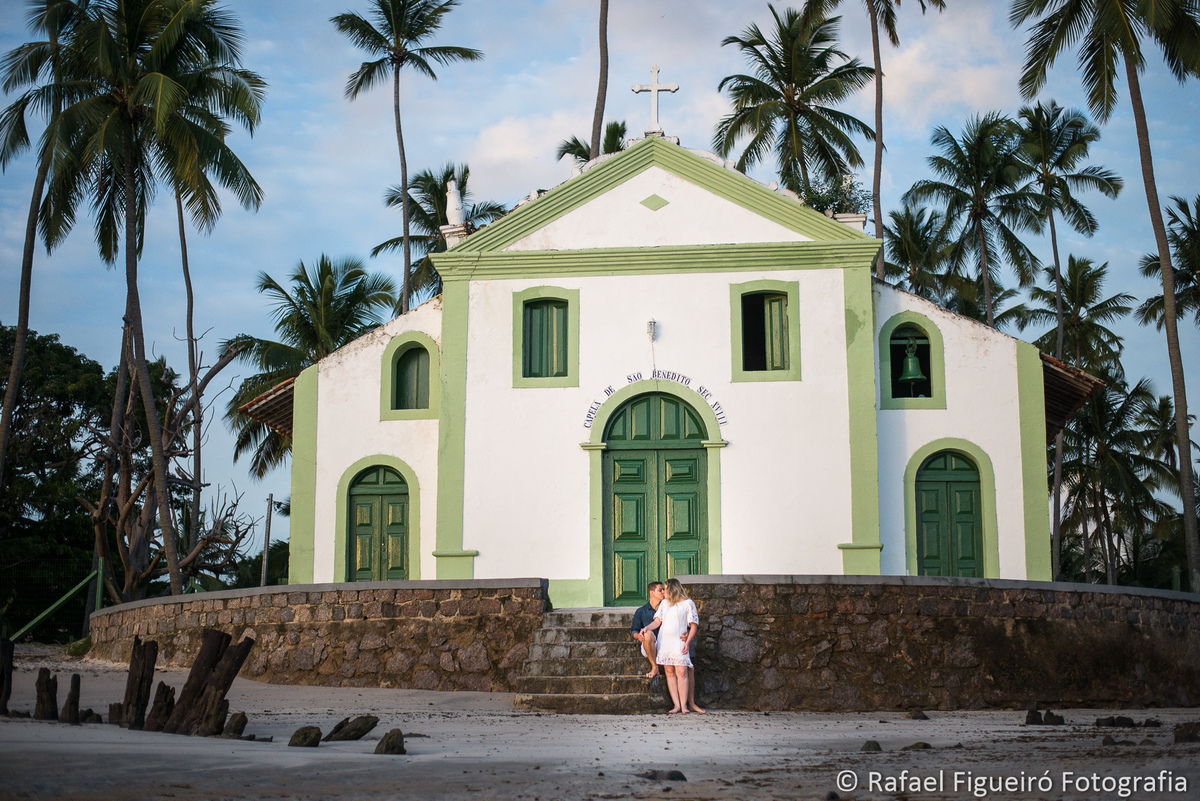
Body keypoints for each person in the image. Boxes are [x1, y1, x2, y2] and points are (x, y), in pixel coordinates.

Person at [645, 577, 705, 713]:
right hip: (665, 641)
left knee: (682, 671)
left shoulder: (688, 603)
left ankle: (684, 705)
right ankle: (676, 705)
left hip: (679, 642)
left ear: (672, 589)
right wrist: (646, 628)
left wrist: (687, 642)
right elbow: (657, 621)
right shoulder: (664, 604)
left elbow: (693, 626)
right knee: (669, 672)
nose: (663, 592)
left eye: (665, 589)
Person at [630, 581, 665, 678]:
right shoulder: (641, 611)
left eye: (663, 589)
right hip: (650, 643)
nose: (663, 592)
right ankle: (654, 667)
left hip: (666, 643)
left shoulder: (667, 608)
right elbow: (634, 631)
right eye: (660, 590)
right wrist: (639, 636)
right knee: (647, 634)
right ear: (651, 593)